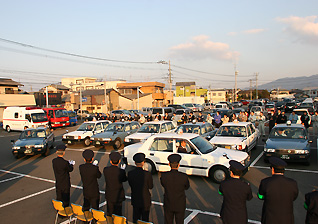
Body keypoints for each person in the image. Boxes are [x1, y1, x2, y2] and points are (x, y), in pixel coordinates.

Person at [258, 157, 298, 224]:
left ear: (273, 169)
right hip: (287, 219)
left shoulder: (265, 182)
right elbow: (294, 197)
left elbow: (260, 196)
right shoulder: (292, 183)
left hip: (269, 219)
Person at [160, 154, 190, 224]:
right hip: (180, 203)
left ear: (169, 164)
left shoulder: (164, 176)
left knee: (168, 221)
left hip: (168, 202)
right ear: (178, 165)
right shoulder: (183, 176)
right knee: (180, 221)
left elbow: (163, 184)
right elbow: (187, 187)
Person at [128, 153, 153, 223]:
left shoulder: (130, 173)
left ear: (135, 162)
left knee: (136, 218)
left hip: (135, 198)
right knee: (145, 219)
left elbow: (130, 184)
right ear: (143, 162)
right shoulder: (147, 174)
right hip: (145, 200)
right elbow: (151, 186)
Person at [103, 151, 127, 217]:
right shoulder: (121, 171)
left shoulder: (106, 170)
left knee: (109, 213)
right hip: (119, 196)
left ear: (111, 161)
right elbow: (124, 179)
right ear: (119, 161)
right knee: (118, 214)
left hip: (109, 194)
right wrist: (123, 170)